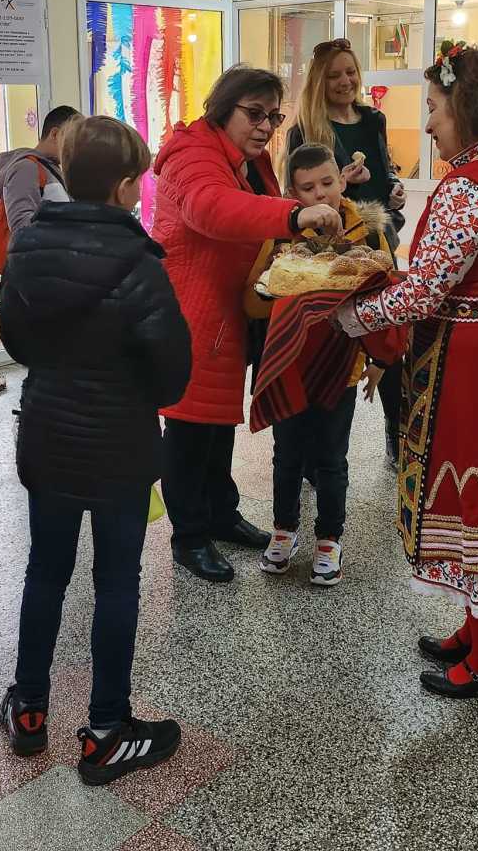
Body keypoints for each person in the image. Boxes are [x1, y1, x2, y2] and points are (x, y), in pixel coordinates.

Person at [336, 43, 478, 700]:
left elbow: (422, 293)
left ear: (466, 108)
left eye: (436, 107)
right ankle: (475, 630)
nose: (429, 122)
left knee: (476, 502)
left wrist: (346, 317)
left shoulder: (470, 185)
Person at [0, 115, 192, 785]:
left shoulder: (27, 247)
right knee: (116, 582)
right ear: (126, 186)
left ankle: (29, 709)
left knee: (44, 572)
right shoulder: (141, 265)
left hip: (47, 436)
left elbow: (17, 341)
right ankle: (107, 730)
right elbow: (171, 377)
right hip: (120, 447)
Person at [152, 65, 343, 584]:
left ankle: (220, 513)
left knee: (217, 424)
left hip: (227, 311)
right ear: (223, 108)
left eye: (273, 117)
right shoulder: (194, 154)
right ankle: (189, 536)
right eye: (254, 113)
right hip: (194, 312)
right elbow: (211, 209)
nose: (265, 126)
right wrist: (292, 216)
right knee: (190, 428)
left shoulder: (243, 157)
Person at [245, 143, 393, 587]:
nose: (321, 194)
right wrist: (278, 287)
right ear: (294, 193)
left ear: (342, 180)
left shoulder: (368, 235)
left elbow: (386, 300)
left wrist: (380, 360)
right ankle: (284, 529)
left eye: (327, 183)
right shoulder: (282, 234)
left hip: (341, 366)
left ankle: (329, 537)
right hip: (289, 363)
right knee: (287, 454)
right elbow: (254, 299)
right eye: (308, 188)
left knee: (331, 457)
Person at [285, 38, 406, 470]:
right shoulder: (306, 128)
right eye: (334, 75)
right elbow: (297, 192)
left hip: (376, 239)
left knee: (389, 339)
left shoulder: (374, 118)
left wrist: (394, 187)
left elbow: (385, 170)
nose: (345, 81)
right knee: (331, 342)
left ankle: (398, 434)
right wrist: (341, 185)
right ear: (320, 81)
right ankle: (321, 451)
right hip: (329, 247)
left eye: (350, 72)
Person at [0, 104, 79, 236]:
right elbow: (21, 229)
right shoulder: (25, 168)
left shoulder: (50, 168)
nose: (76, 147)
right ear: (55, 134)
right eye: (73, 140)